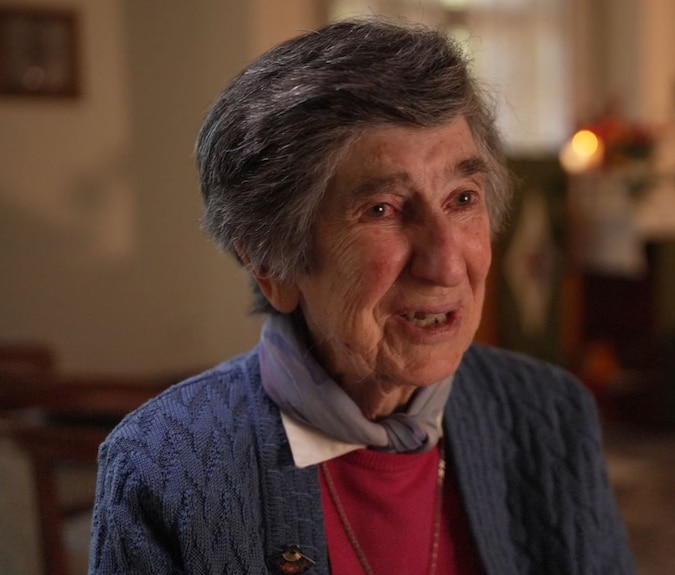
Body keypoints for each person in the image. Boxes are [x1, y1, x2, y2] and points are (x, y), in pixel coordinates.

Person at [89, 16, 636, 575]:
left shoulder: (548, 414)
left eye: (463, 199)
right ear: (271, 261)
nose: (447, 263)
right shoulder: (167, 466)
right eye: (382, 210)